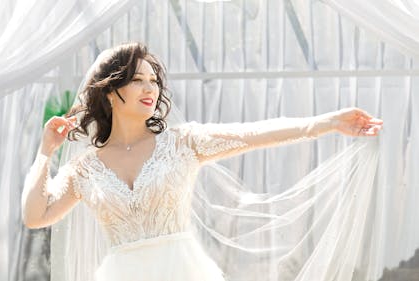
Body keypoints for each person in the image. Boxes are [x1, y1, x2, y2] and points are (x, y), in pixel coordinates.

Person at [21, 42, 383, 281]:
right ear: (111, 90)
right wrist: (45, 153)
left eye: (154, 80)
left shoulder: (183, 143)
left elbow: (255, 133)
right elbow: (36, 215)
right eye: (138, 80)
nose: (151, 89)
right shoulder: (86, 167)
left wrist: (327, 123)